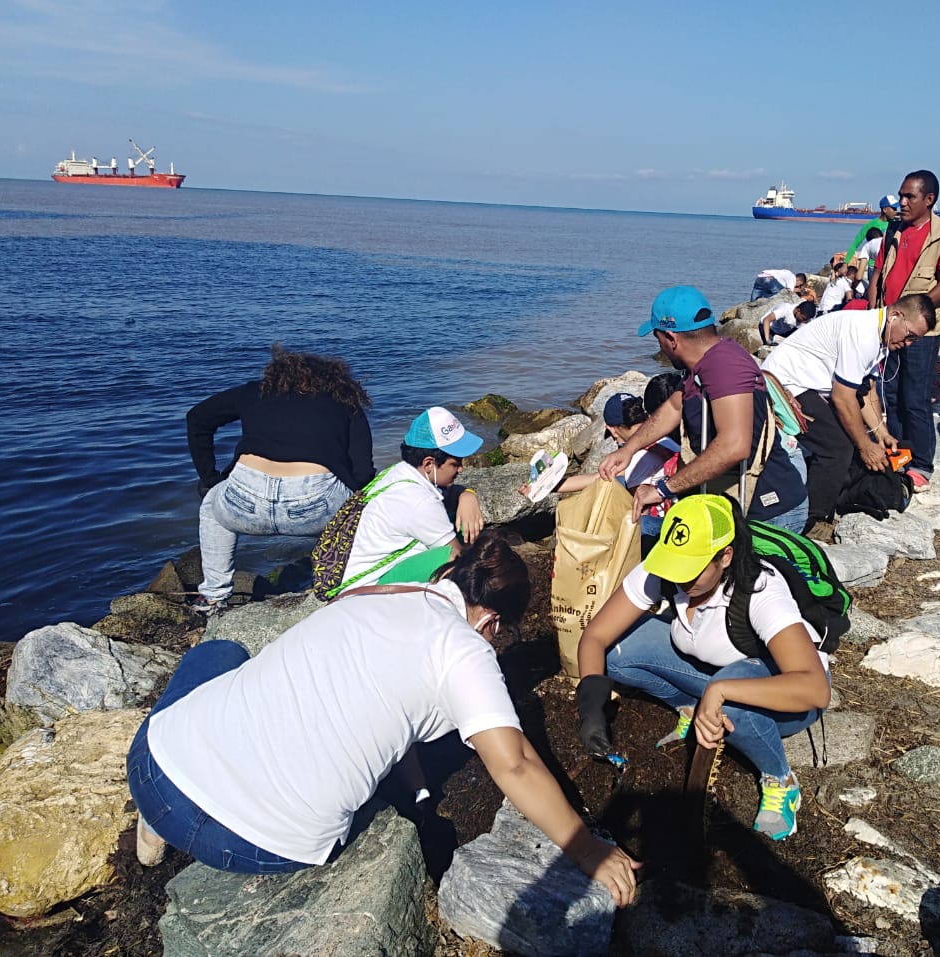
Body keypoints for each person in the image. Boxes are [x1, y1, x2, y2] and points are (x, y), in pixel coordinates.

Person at [128, 530, 641, 904]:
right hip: (257, 845)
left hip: (155, 773)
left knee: (217, 653)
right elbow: (515, 765)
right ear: (491, 619)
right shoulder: (463, 648)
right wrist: (585, 850)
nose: (495, 646)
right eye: (499, 635)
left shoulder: (375, 595)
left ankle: (155, 820)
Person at [575, 494, 830, 841]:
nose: (679, 580)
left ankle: (779, 778)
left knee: (731, 693)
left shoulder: (760, 590)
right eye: (674, 566)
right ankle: (694, 705)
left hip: (782, 697)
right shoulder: (665, 570)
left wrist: (721, 690)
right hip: (714, 672)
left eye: (691, 570)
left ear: (725, 557)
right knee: (619, 653)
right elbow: (596, 636)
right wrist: (591, 700)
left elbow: (815, 689)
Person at [602, 286, 809, 532]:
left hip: (767, 511)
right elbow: (673, 407)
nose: (660, 347)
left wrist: (662, 490)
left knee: (644, 534)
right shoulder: (705, 362)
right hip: (740, 502)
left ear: (671, 338)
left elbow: (734, 446)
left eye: (657, 338)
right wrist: (629, 449)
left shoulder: (725, 367)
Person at [186, 345, 376, 614]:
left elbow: (197, 418)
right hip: (313, 508)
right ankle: (337, 585)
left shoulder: (255, 391)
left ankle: (213, 597)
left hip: (243, 502)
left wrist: (209, 478)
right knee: (358, 509)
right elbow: (363, 472)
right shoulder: (344, 401)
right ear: (335, 380)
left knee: (211, 507)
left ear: (276, 375)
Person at [763, 296, 936, 528]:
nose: (909, 343)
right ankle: (812, 520)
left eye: (915, 339)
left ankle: (830, 501)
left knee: (854, 439)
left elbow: (866, 392)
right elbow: (843, 398)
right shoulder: (863, 333)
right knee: (837, 447)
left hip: (808, 384)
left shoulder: (881, 336)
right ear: (896, 316)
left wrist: (880, 433)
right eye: (910, 335)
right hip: (783, 384)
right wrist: (865, 446)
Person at [866, 170, 940, 491]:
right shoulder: (893, 230)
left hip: (920, 332)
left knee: (915, 398)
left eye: (910, 197)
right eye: (901, 195)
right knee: (888, 393)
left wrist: (912, 313)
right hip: (887, 326)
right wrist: (873, 313)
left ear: (929, 199)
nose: (902, 202)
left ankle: (922, 463)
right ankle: (898, 454)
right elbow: (878, 274)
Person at [336, 407, 487, 595]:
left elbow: (448, 495)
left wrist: (467, 494)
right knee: (454, 559)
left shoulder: (398, 473)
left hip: (352, 577)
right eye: (455, 464)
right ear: (429, 464)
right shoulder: (419, 500)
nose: (461, 469)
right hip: (362, 590)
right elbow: (457, 555)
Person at [526, 391, 679, 554]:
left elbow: (641, 509)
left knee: (616, 498)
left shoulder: (638, 458)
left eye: (611, 435)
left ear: (612, 430)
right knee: (612, 481)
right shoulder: (664, 440)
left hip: (663, 526)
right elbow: (596, 478)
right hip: (680, 511)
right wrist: (543, 487)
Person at [844, 195, 898, 264]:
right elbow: (855, 244)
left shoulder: (896, 225)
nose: (896, 211)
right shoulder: (870, 225)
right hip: (873, 265)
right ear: (885, 210)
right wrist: (846, 263)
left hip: (888, 264)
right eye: (894, 208)